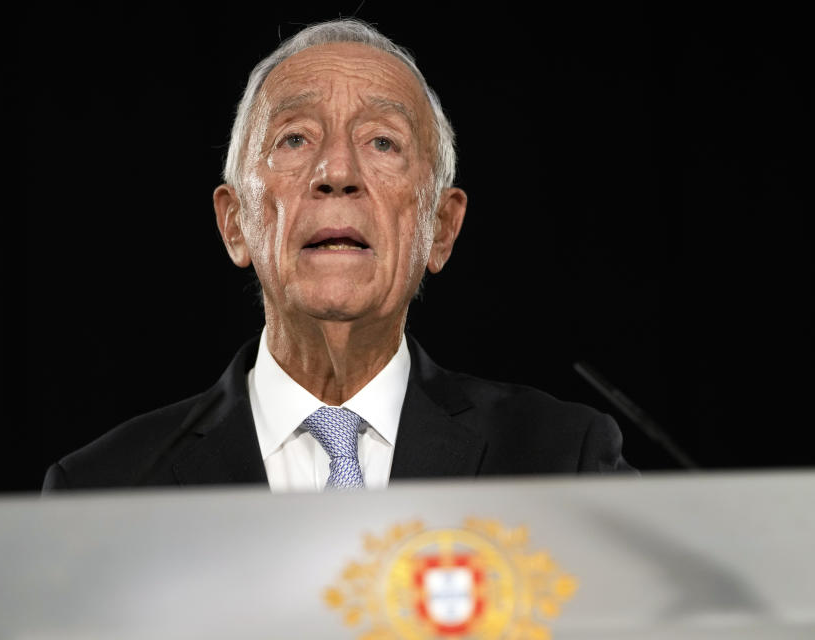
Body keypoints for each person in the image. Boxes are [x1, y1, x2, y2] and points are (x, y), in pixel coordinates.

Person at [42, 19, 633, 493]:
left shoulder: (562, 462)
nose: (338, 173)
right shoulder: (104, 490)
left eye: (383, 142)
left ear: (442, 228)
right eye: (294, 138)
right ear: (235, 223)